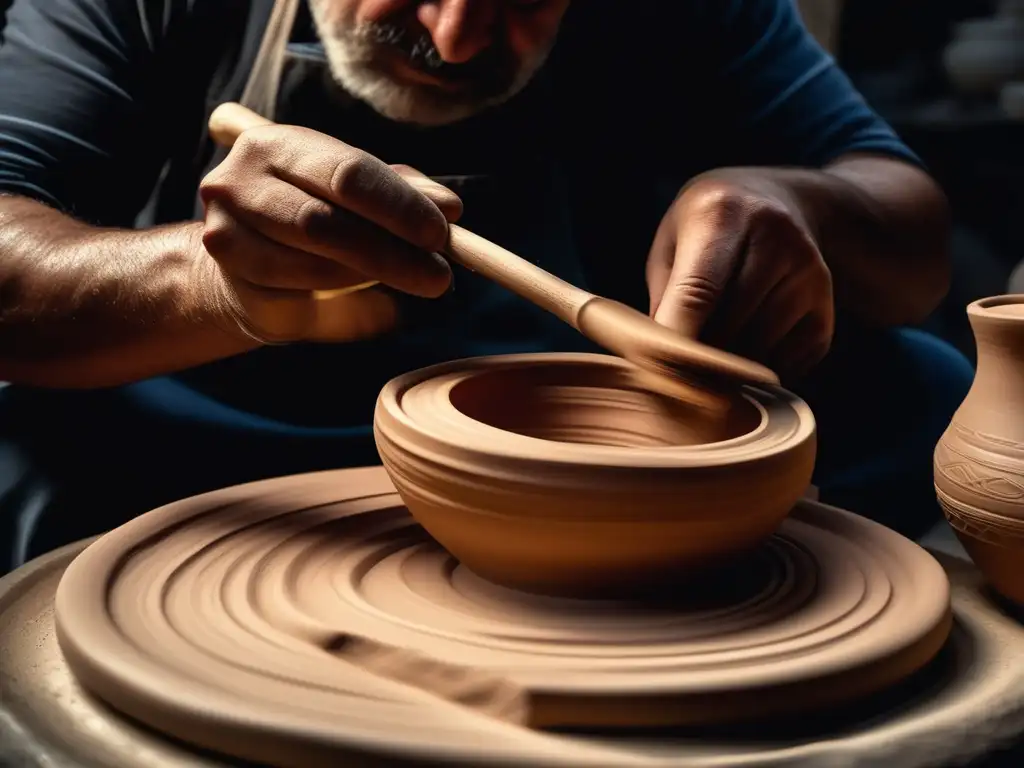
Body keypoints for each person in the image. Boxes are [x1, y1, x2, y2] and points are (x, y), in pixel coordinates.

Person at [0, 0, 973, 573]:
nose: (458, 38)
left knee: (925, 383)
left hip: (588, 459)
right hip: (221, 441)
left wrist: (795, 206)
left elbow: (907, 232)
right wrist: (212, 285)